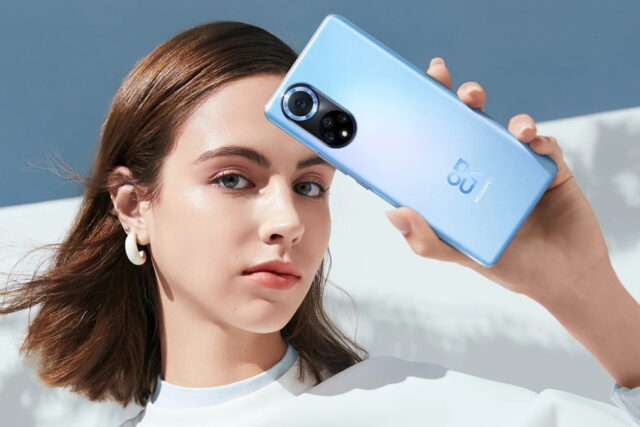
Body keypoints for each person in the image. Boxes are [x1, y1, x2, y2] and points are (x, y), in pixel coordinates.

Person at [1, 20, 638, 427]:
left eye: (310, 186)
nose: (287, 221)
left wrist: (581, 288)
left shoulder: (420, 409)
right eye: (234, 179)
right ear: (133, 206)